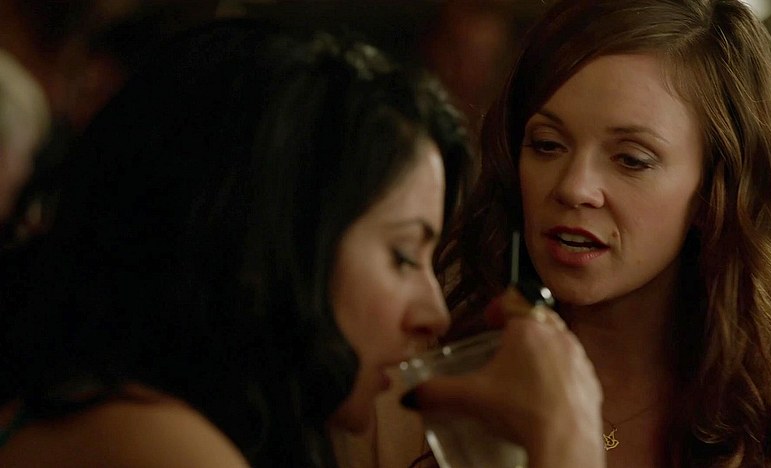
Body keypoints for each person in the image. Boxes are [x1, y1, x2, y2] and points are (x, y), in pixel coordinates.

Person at [0, 20, 604, 467]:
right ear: (264, 239)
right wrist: (568, 437)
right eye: (402, 255)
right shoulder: (151, 443)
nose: (434, 314)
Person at [433, 0, 771, 466]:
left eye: (631, 160)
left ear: (715, 188)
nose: (574, 187)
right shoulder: (441, 372)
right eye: (547, 145)